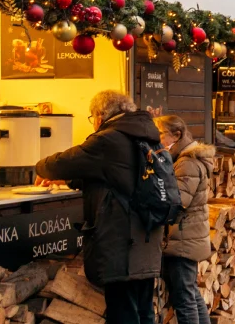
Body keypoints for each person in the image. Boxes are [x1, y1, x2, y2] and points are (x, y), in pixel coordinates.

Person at [35, 91, 163, 324]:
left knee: (122, 315)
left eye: (92, 117)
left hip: (122, 245)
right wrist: (69, 181)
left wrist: (38, 165)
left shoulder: (108, 139)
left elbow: (61, 163)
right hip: (146, 241)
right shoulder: (145, 135)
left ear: (100, 115)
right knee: (144, 313)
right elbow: (115, 176)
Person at [154, 116, 214, 324]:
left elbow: (178, 201)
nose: (157, 138)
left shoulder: (186, 162)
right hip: (186, 235)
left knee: (184, 298)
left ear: (176, 135)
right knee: (190, 293)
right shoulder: (184, 159)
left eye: (161, 133)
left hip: (183, 237)